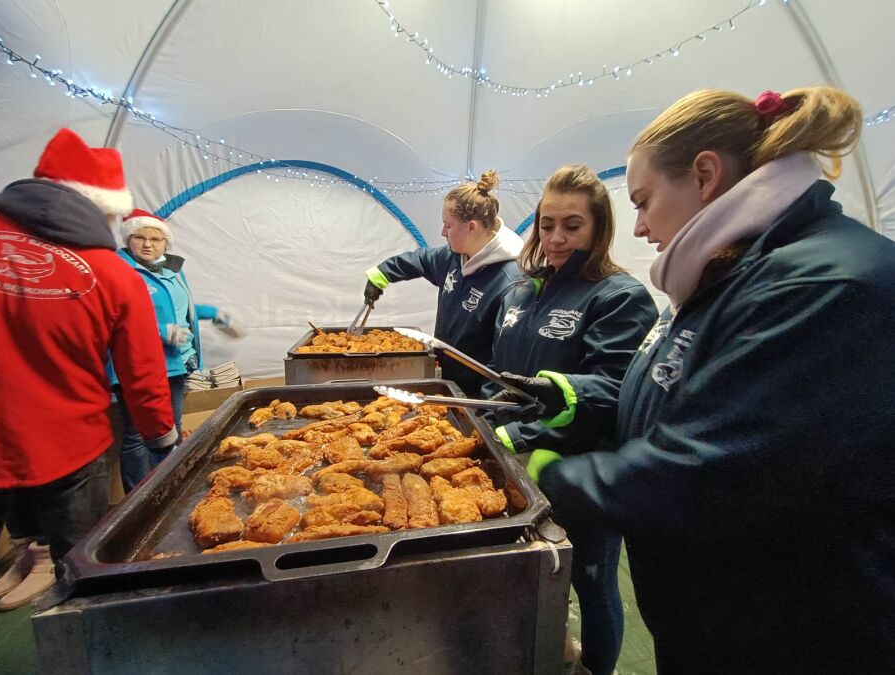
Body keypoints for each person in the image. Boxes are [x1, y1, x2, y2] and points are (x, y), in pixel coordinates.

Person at [503, 87, 895, 672]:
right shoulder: (730, 276)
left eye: (642, 201)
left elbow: (717, 468)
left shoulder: (823, 286)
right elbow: (673, 396)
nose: (639, 228)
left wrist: (551, 480)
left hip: (791, 633)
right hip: (713, 620)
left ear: (706, 175)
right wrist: (573, 396)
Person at [483, 165, 657, 675]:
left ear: (600, 228)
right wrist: (483, 412)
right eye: (546, 223)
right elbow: (502, 374)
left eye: (572, 225)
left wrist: (521, 435)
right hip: (513, 465)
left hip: (580, 469)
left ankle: (595, 668)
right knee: (535, 572)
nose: (555, 238)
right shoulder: (520, 291)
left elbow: (613, 393)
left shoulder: (618, 297)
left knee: (592, 580)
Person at [0, 128, 177, 611]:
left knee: (29, 519)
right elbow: (142, 370)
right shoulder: (113, 272)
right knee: (81, 568)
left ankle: (28, 561)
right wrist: (162, 437)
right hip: (69, 439)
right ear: (109, 212)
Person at [110, 209, 244, 492]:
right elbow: (113, 317)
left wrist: (217, 313)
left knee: (173, 425)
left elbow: (185, 308)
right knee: (137, 434)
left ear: (165, 243)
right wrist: (160, 331)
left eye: (156, 239)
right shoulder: (118, 271)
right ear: (128, 239)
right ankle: (139, 493)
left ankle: (170, 486)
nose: (148, 244)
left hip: (175, 363)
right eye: (140, 237)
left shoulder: (171, 270)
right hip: (136, 368)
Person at [363, 170, 523, 396]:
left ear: (471, 227)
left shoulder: (510, 281)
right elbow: (420, 259)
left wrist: (487, 413)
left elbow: (503, 360)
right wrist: (380, 275)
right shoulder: (452, 256)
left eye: (448, 225)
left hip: (476, 395)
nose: (442, 232)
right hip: (447, 380)